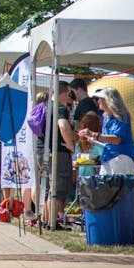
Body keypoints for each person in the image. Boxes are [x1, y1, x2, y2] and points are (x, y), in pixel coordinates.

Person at [44, 82, 77, 230]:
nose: (70, 98)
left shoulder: (45, 106)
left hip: (45, 151)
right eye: (70, 94)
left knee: (49, 188)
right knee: (58, 188)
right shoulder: (60, 108)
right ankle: (52, 222)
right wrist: (71, 145)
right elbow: (63, 126)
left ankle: (48, 220)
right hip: (59, 152)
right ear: (63, 93)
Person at [81, 87, 134, 173]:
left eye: (100, 99)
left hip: (120, 158)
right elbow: (107, 141)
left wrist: (94, 135)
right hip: (107, 158)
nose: (98, 101)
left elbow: (117, 139)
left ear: (108, 100)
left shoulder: (121, 116)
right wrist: (95, 140)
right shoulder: (105, 117)